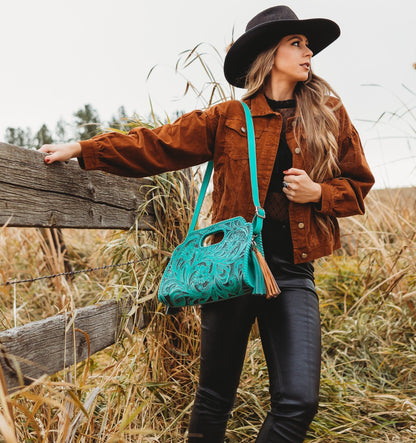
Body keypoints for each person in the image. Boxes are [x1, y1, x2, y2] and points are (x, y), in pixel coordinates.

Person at [40, 5, 375, 442]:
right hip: (230, 267)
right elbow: (157, 145)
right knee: (215, 397)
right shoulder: (227, 118)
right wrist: (84, 149)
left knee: (299, 402)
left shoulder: (328, 113)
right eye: (297, 43)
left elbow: (359, 184)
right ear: (269, 53)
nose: (308, 51)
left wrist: (319, 193)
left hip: (292, 271)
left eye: (308, 45)